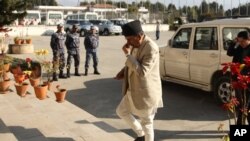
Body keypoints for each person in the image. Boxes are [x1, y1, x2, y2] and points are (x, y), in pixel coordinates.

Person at [115, 20, 163, 141]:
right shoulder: (135, 44)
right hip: (133, 89)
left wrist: (127, 55)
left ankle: (144, 136)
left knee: (147, 123)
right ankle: (140, 134)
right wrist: (123, 70)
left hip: (146, 92)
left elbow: (142, 72)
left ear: (139, 36)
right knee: (121, 111)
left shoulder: (151, 48)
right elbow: (133, 62)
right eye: (126, 39)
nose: (128, 42)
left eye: (130, 39)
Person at [227, 30, 250, 125]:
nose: (241, 43)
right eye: (239, 41)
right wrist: (233, 42)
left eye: (242, 41)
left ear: (248, 39)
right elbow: (229, 53)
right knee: (241, 105)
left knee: (246, 106)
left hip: (248, 81)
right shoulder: (239, 48)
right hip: (239, 81)